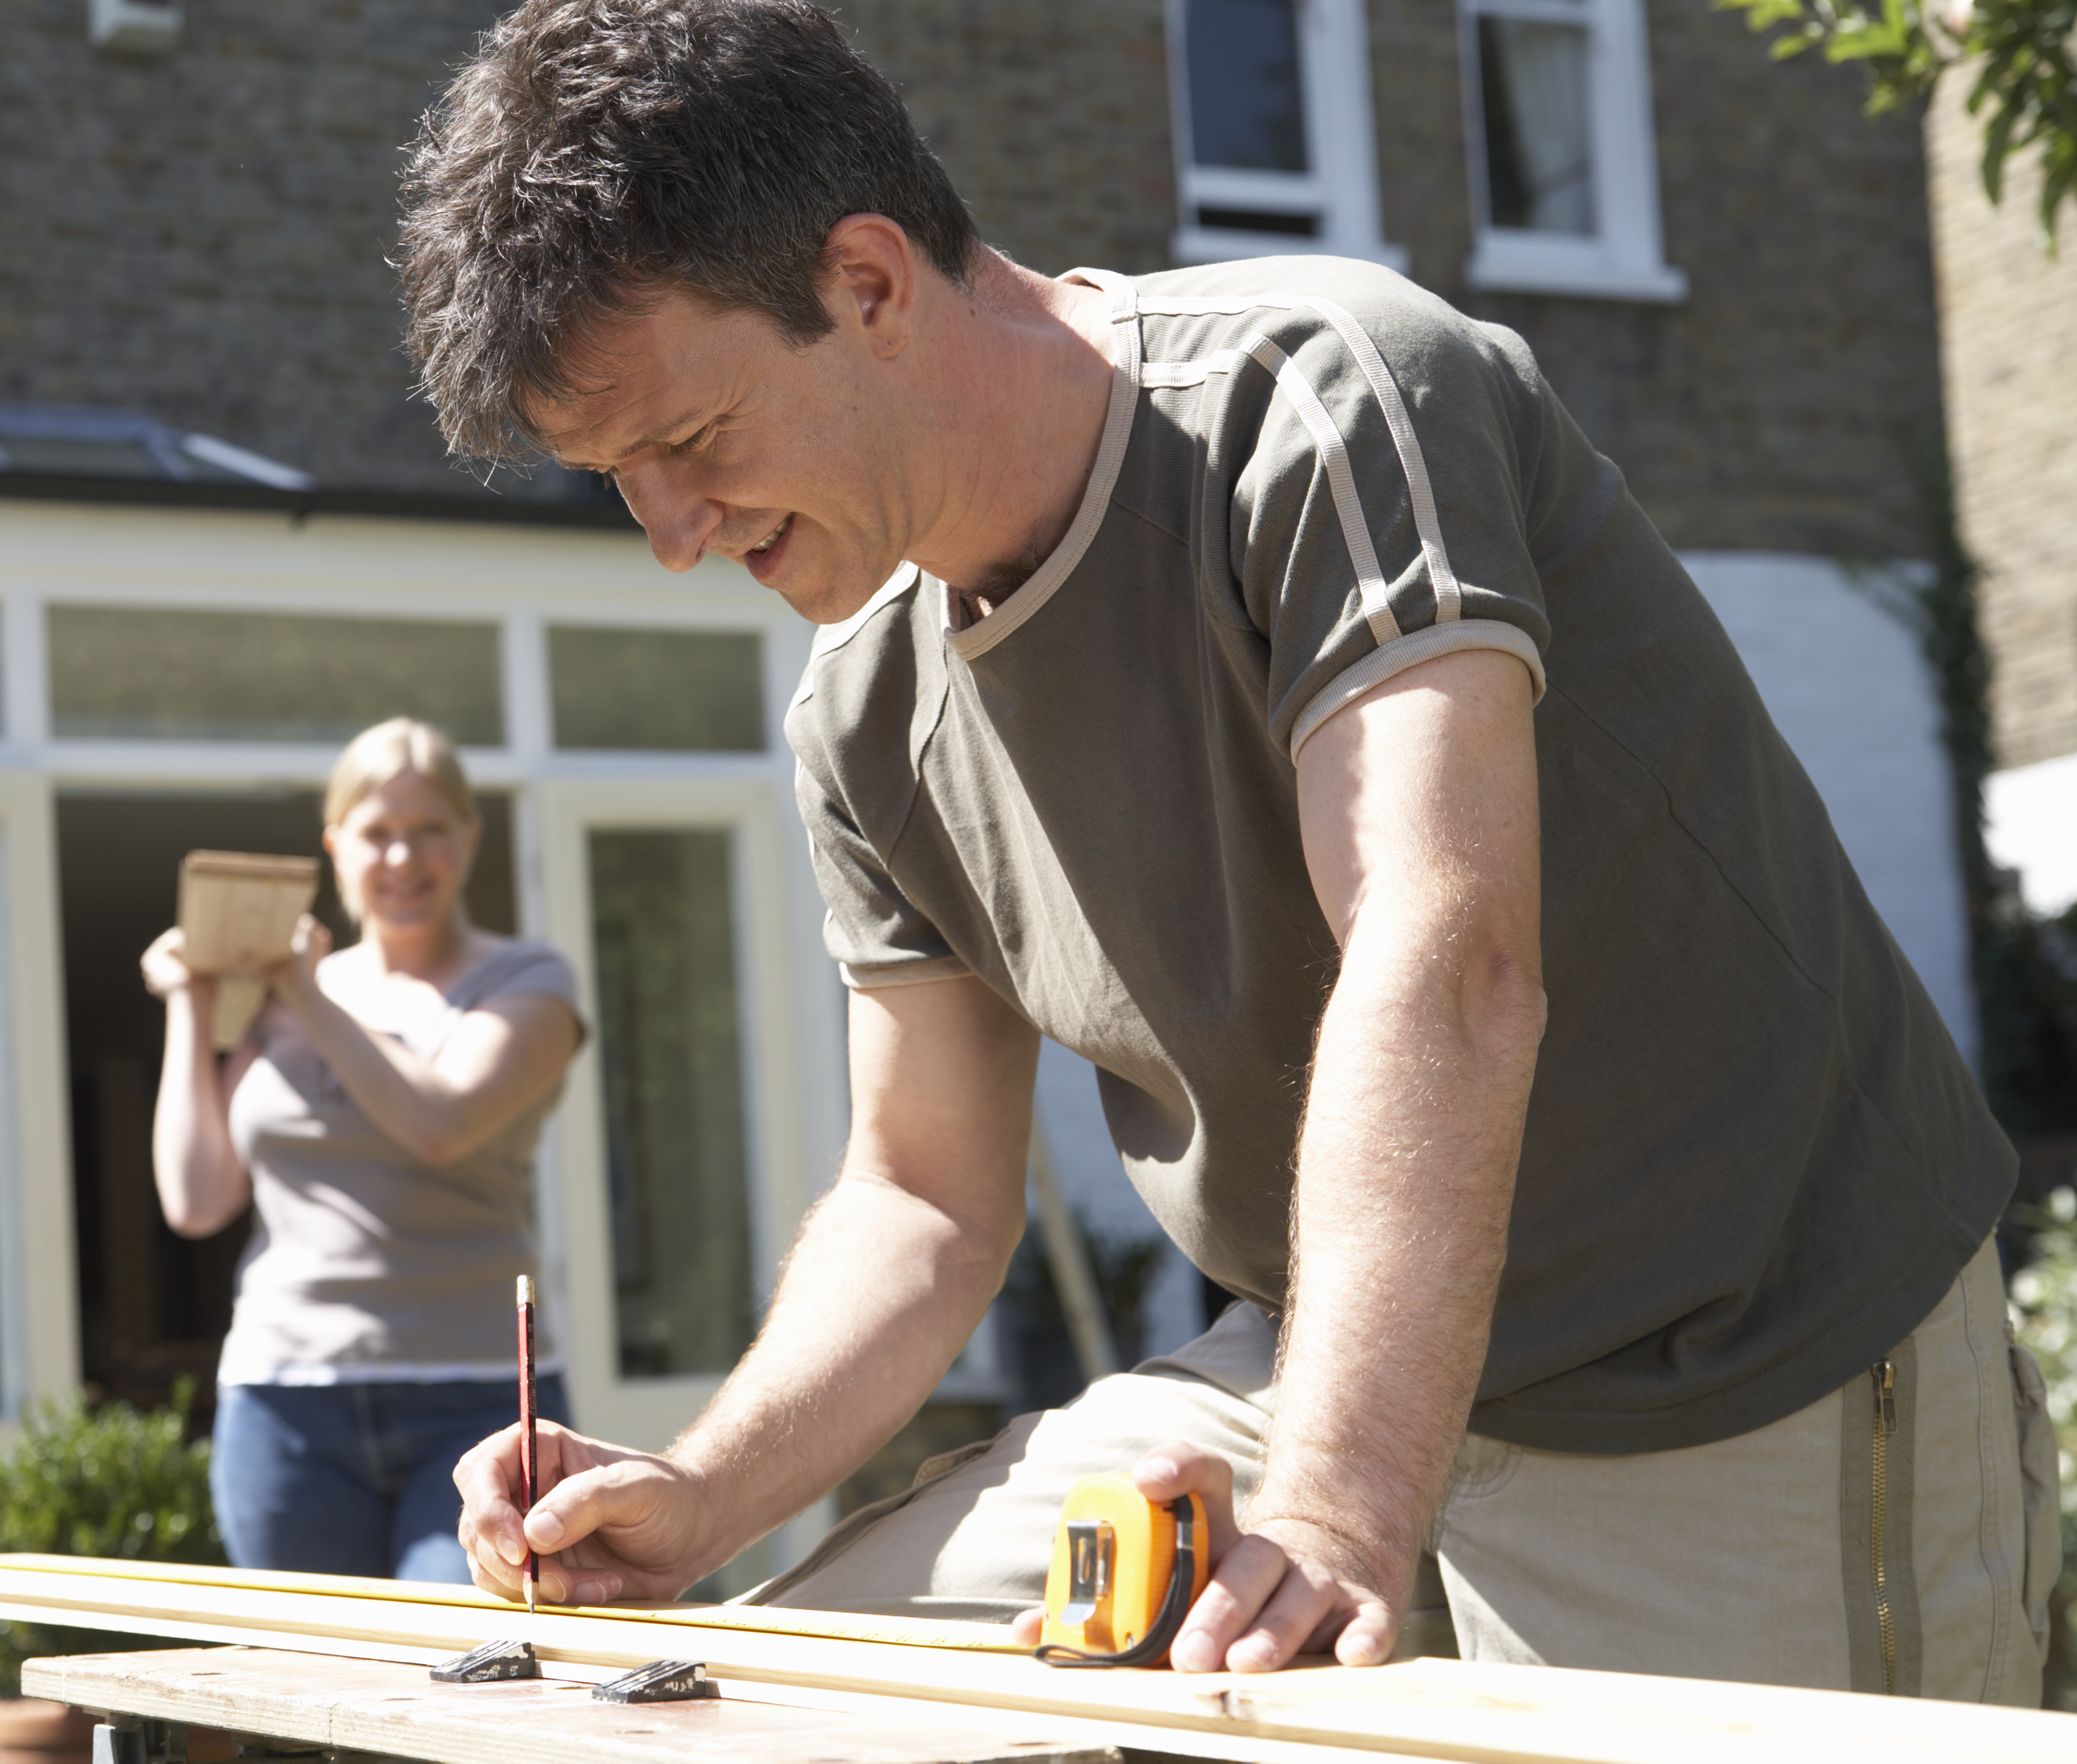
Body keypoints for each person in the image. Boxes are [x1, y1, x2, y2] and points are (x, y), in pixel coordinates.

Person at [396, 0, 2060, 1701]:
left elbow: (1448, 954)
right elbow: (918, 1195)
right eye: (619, 482)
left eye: (685, 445)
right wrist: (693, 1495)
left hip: (1734, 1351)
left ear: (869, 286)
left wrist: (1336, 1509)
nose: (672, 540)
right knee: (770, 1702)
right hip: (1319, 1369)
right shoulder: (858, 715)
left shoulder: (1325, 407)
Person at [141, 717, 584, 1580]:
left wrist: (303, 990)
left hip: (479, 1399)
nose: (402, 859)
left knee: (460, 1665)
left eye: (429, 831)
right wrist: (191, 1004)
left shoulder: (527, 981)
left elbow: (438, 1123)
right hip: (284, 1400)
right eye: (377, 834)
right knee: (305, 1687)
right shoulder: (286, 996)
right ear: (336, 845)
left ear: (470, 838)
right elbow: (196, 1200)